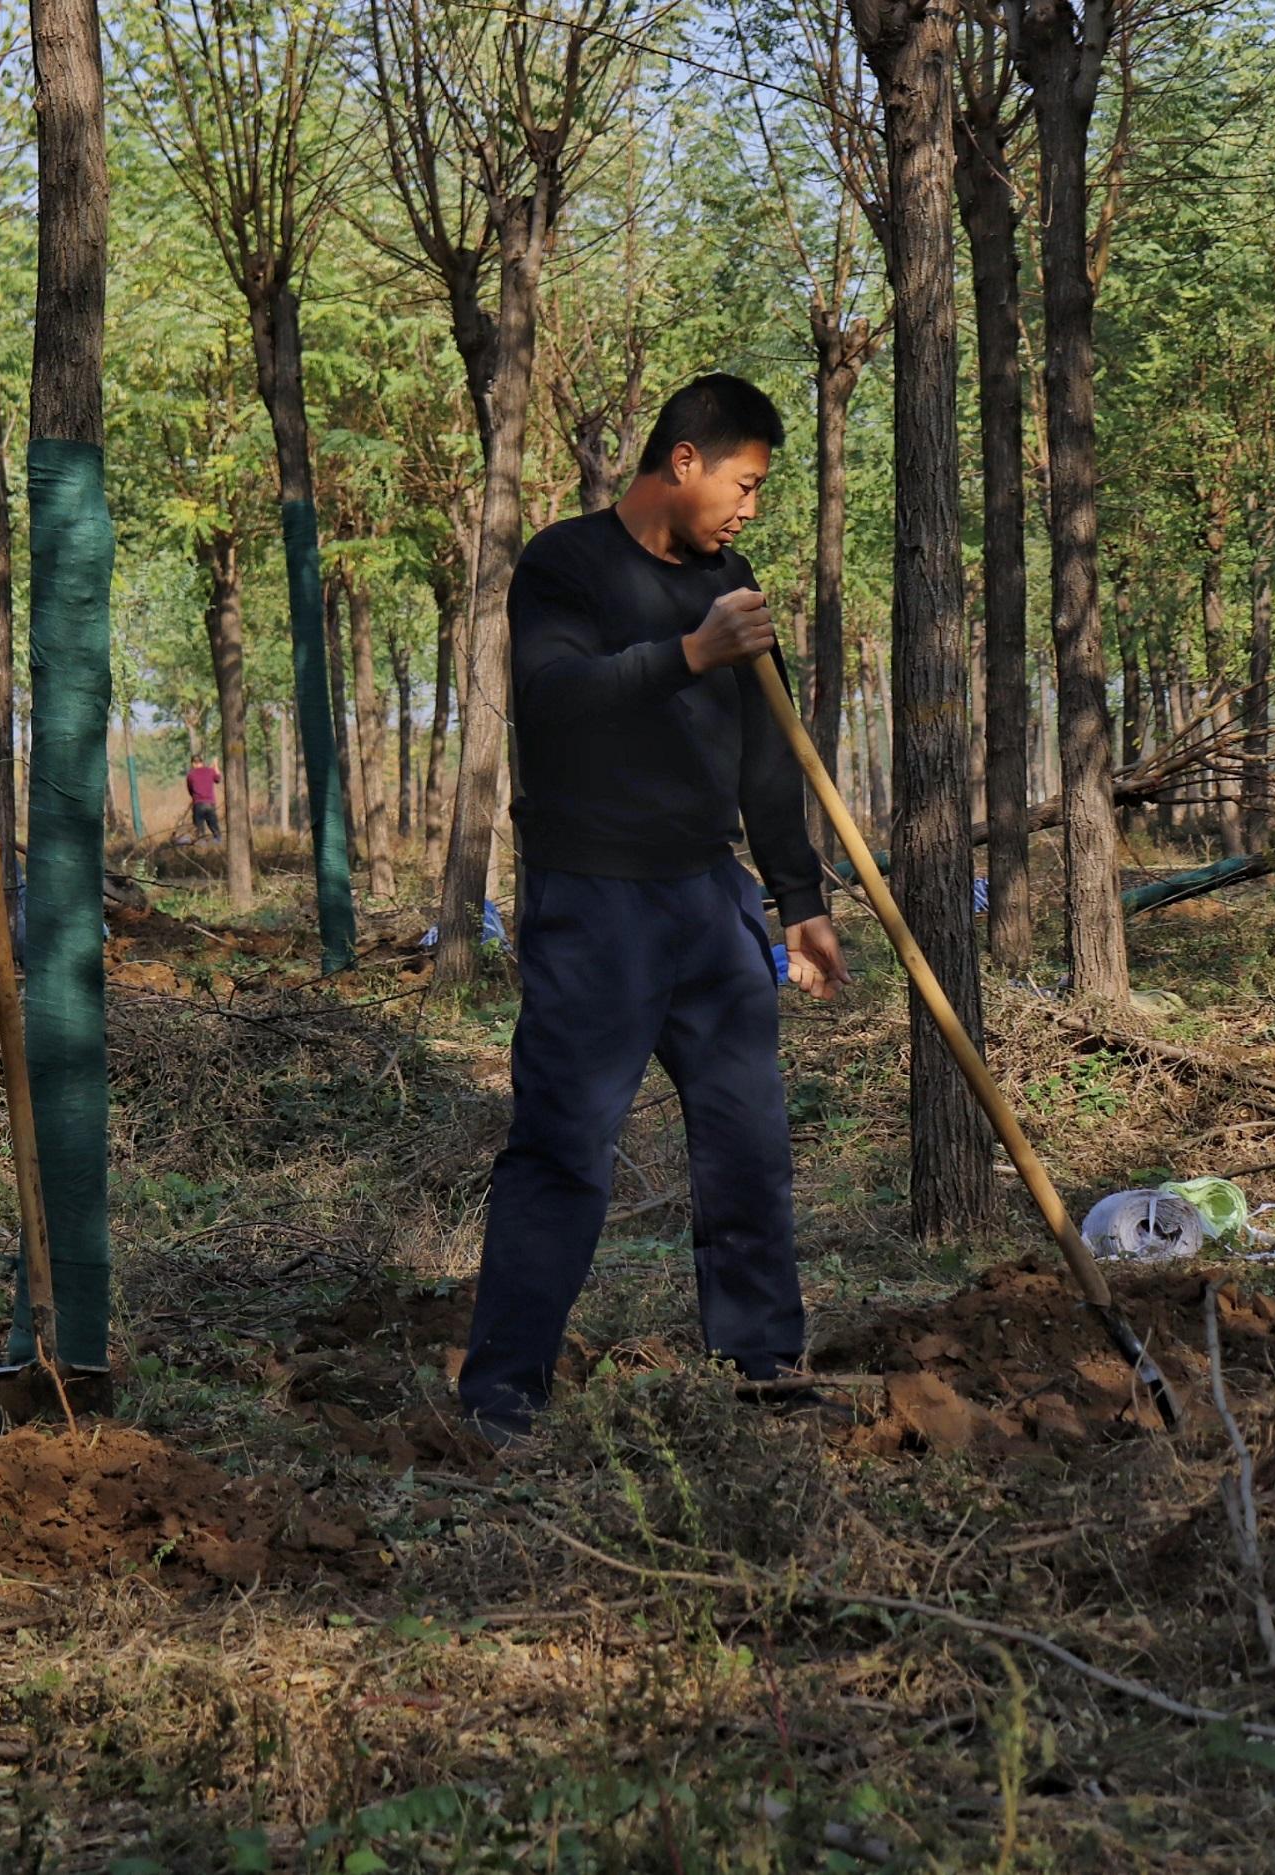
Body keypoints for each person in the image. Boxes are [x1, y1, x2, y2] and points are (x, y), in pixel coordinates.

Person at [458, 373, 851, 1449]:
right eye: (744, 481)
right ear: (683, 460)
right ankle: (501, 1389)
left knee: (746, 1140)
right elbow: (551, 699)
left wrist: (799, 902)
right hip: (594, 903)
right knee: (564, 1145)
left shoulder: (733, 579)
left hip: (709, 899)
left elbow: (769, 753)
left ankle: (762, 1360)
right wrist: (688, 653)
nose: (749, 507)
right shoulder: (564, 562)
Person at [185, 758, 222, 839]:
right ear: (202, 762)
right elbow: (218, 779)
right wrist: (216, 765)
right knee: (214, 827)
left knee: (199, 830)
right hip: (210, 804)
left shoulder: (190, 775)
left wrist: (195, 797)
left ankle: (201, 847)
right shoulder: (210, 771)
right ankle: (218, 843)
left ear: (193, 764)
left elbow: (190, 790)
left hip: (198, 804)